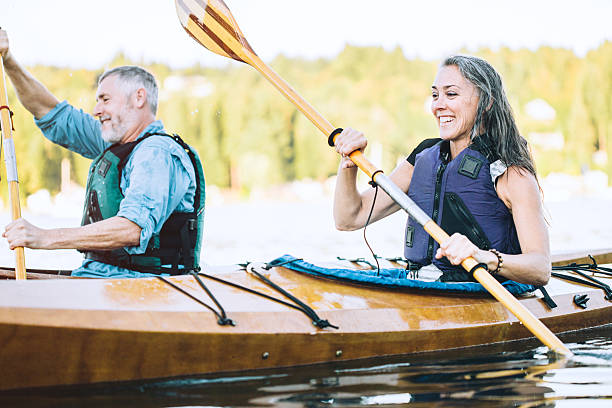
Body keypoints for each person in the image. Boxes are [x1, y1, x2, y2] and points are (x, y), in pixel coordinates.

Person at [0, 29, 205, 278]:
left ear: (139, 98)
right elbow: (49, 112)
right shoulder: (112, 141)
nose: (97, 109)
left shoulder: (157, 154)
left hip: (143, 287)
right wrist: (8, 60)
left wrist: (44, 237)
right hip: (97, 278)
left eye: (105, 99)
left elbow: (132, 228)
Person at [333, 55, 550, 286]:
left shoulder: (509, 172)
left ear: (486, 102)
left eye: (451, 94)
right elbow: (349, 218)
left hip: (482, 294)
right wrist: (349, 163)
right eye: (435, 95)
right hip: (422, 287)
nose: (438, 105)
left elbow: (540, 268)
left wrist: (484, 257)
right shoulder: (422, 158)